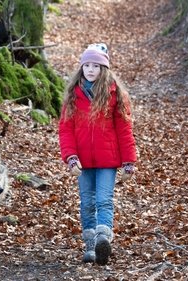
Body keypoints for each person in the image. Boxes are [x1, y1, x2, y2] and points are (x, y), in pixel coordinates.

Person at [58, 43, 137, 265]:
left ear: (104, 69)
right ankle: (91, 245)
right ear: (81, 67)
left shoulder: (115, 94)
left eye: (96, 65)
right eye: (87, 65)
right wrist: (71, 157)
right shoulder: (74, 96)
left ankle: (104, 239)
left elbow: (124, 129)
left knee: (104, 200)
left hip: (107, 160)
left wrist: (129, 161)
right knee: (87, 202)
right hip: (82, 161)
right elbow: (65, 130)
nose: (90, 69)